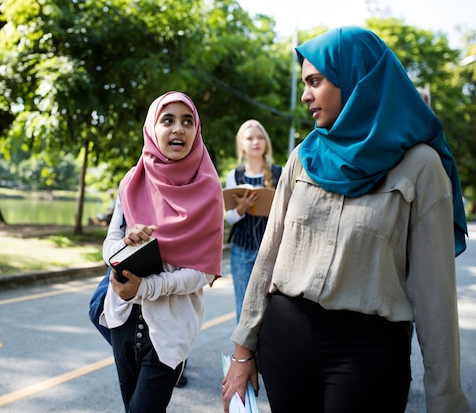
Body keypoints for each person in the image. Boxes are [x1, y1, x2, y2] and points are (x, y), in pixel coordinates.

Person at [222, 27, 470, 413]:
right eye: (304, 83)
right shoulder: (304, 155)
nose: (305, 95)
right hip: (285, 341)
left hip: (368, 352)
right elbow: (267, 258)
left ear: (358, 78)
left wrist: (445, 398)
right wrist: (242, 352)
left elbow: (435, 295)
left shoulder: (422, 166)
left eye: (315, 82)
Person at [100, 91, 224, 412]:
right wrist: (126, 242)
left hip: (171, 328)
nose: (178, 129)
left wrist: (148, 287)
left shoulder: (209, 189)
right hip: (123, 321)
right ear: (151, 129)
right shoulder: (132, 179)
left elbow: (205, 271)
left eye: (187, 121)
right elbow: (109, 246)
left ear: (197, 131)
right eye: (167, 120)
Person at [224, 119, 281, 321]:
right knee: (244, 311)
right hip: (242, 251)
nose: (255, 142)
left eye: (259, 137)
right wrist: (241, 208)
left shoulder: (278, 173)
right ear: (242, 145)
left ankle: (267, 353)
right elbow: (229, 218)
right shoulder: (235, 175)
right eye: (250, 138)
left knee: (272, 311)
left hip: (273, 252)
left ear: (266, 142)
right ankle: (244, 354)